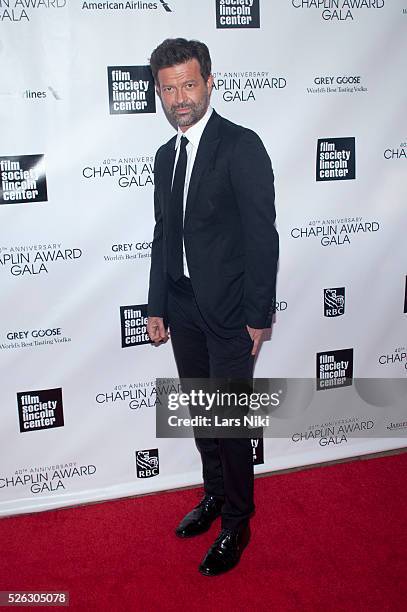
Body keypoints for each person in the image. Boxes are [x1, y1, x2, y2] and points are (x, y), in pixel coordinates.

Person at [147, 38, 279, 576]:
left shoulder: (240, 145)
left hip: (229, 317)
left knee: (229, 425)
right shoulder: (165, 155)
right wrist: (157, 305)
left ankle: (238, 522)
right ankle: (215, 498)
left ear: (208, 82)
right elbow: (163, 236)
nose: (180, 97)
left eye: (188, 84)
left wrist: (257, 317)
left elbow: (261, 236)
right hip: (182, 309)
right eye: (168, 87)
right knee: (202, 419)